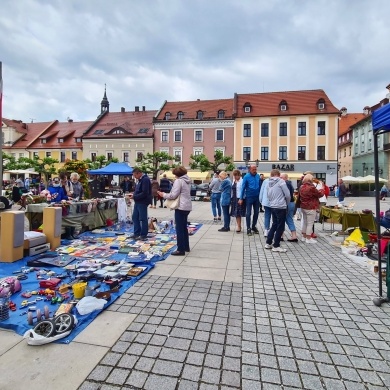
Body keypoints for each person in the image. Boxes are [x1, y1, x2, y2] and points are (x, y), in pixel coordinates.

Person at [157, 166, 192, 255]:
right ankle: (186, 246)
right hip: (187, 206)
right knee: (184, 227)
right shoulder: (187, 180)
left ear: (177, 174)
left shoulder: (179, 181)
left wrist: (163, 194)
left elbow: (173, 195)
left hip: (180, 206)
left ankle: (180, 249)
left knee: (179, 228)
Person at [264, 169, 290, 253]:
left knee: (274, 224)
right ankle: (276, 245)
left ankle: (268, 242)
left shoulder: (268, 183)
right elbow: (287, 194)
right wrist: (286, 202)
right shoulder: (281, 181)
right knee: (280, 226)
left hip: (272, 205)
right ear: (278, 174)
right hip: (281, 206)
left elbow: (268, 195)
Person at [299, 174, 325, 244]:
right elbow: (320, 194)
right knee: (310, 223)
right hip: (311, 207)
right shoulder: (311, 188)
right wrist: (322, 188)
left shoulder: (301, 186)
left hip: (303, 206)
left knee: (305, 222)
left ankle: (303, 237)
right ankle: (308, 238)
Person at [129, 167, 152, 240]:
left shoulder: (145, 179)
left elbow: (145, 192)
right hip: (138, 201)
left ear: (138, 173)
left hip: (142, 201)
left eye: (135, 175)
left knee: (143, 218)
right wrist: (134, 194)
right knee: (135, 217)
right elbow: (139, 190)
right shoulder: (140, 180)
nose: (134, 177)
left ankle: (143, 234)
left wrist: (134, 196)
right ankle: (136, 233)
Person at [239, 165, 261, 235]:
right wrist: (241, 198)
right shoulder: (246, 177)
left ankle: (253, 226)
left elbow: (260, 186)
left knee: (257, 212)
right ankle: (248, 228)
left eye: (255, 169)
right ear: (249, 170)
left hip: (257, 197)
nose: (255, 171)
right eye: (253, 169)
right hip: (249, 197)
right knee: (248, 213)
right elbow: (243, 188)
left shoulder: (257, 176)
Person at [281, 173, 298, 242]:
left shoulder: (285, 184)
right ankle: (294, 235)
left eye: (281, 177)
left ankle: (280, 235)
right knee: (289, 219)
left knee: (281, 220)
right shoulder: (290, 184)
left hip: (286, 204)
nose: (280, 178)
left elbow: (286, 195)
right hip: (291, 203)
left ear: (285, 178)